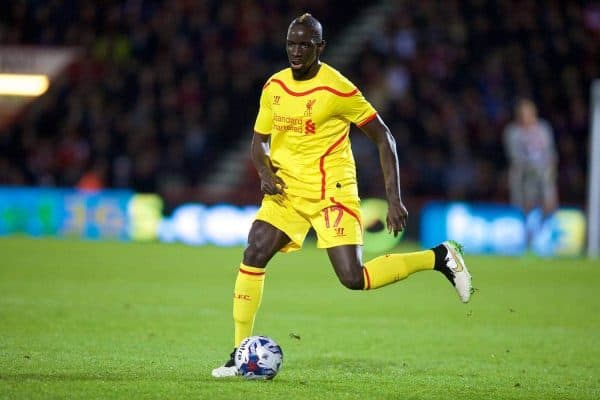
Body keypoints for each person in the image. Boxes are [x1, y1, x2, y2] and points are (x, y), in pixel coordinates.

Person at [212, 13, 472, 378]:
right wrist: (264, 170)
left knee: (353, 277)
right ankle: (238, 355)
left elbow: (385, 138)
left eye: (305, 44)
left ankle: (440, 257)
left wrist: (393, 199)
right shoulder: (274, 86)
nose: (296, 51)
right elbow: (259, 142)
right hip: (287, 190)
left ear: (320, 47)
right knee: (254, 251)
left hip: (330, 192)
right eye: (291, 43)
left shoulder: (338, 89)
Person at [503, 99, 558, 217]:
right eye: (522, 114)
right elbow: (515, 157)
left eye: (528, 114)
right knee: (525, 204)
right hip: (524, 175)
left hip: (544, 172)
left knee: (548, 198)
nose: (526, 118)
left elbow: (550, 152)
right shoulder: (513, 132)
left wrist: (550, 170)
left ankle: (546, 224)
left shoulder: (543, 128)